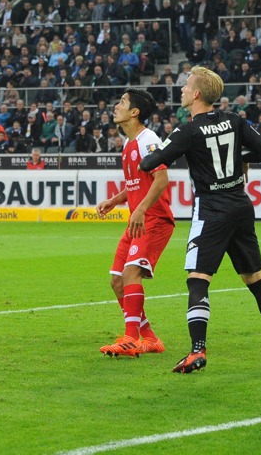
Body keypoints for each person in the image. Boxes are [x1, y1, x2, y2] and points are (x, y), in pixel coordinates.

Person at [140, 66, 261, 373]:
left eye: (186, 86)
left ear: (196, 94)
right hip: (240, 204)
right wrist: (237, 159)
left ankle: (197, 351)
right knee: (255, 278)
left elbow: (150, 163)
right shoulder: (234, 120)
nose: (183, 90)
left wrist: (156, 147)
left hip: (211, 209)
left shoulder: (188, 131)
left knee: (197, 280)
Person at [96, 89, 174, 357]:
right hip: (138, 219)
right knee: (117, 281)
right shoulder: (130, 144)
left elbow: (162, 179)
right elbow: (138, 184)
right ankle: (149, 338)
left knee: (130, 274)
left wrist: (139, 210)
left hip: (153, 220)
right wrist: (116, 200)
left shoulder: (148, 140)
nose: (116, 106)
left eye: (122, 102)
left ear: (134, 112)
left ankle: (130, 339)